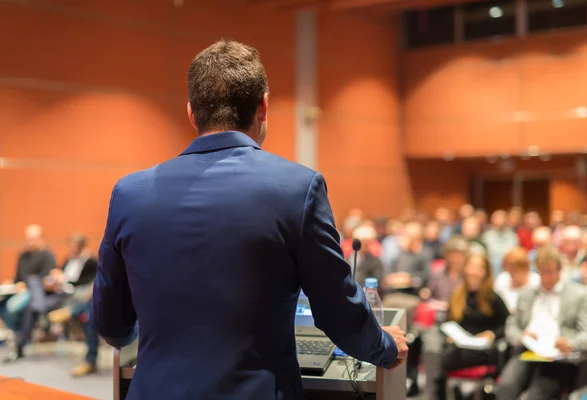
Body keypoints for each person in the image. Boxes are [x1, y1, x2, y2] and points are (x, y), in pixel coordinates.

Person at [90, 40, 408, 400]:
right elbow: (338, 312)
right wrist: (385, 345)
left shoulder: (129, 193)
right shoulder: (298, 188)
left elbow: (111, 324)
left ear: (193, 113)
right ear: (264, 106)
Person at [496, 247, 587, 400]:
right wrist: (522, 336)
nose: (545, 277)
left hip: (559, 358)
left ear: (559, 271)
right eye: (541, 272)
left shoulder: (580, 295)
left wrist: (571, 343)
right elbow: (511, 326)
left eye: (549, 272)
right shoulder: (527, 294)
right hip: (527, 352)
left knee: (535, 395)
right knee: (505, 388)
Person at [435, 253, 510, 400]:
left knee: (445, 357)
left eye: (479, 267)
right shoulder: (457, 295)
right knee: (440, 352)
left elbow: (507, 324)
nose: (474, 271)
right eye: (471, 266)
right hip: (459, 346)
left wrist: (492, 334)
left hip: (483, 349)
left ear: (485, 272)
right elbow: (446, 322)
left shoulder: (493, 297)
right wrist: (450, 336)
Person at [2, 224, 57, 362]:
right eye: (28, 239)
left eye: (34, 238)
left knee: (18, 305)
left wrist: (25, 285)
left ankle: (19, 339)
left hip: (37, 293)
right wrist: (12, 283)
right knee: (2, 302)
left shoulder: (47, 256)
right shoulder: (23, 255)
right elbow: (18, 277)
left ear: (41, 238)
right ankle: (18, 333)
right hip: (20, 290)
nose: (30, 242)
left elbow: (45, 281)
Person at [48, 234, 99, 376]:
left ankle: (71, 311)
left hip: (84, 297)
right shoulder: (68, 260)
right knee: (89, 315)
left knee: (89, 312)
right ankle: (90, 361)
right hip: (71, 295)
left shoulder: (92, 262)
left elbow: (91, 285)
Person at [493, 247, 540, 313]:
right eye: (508, 267)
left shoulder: (536, 281)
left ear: (525, 268)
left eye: (515, 268)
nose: (510, 271)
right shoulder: (502, 279)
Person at [482, 210, 519, 276]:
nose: (500, 220)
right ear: (492, 220)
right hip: (491, 270)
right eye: (497, 218)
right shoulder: (486, 237)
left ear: (506, 220)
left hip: (509, 270)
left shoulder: (513, 236)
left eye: (502, 218)